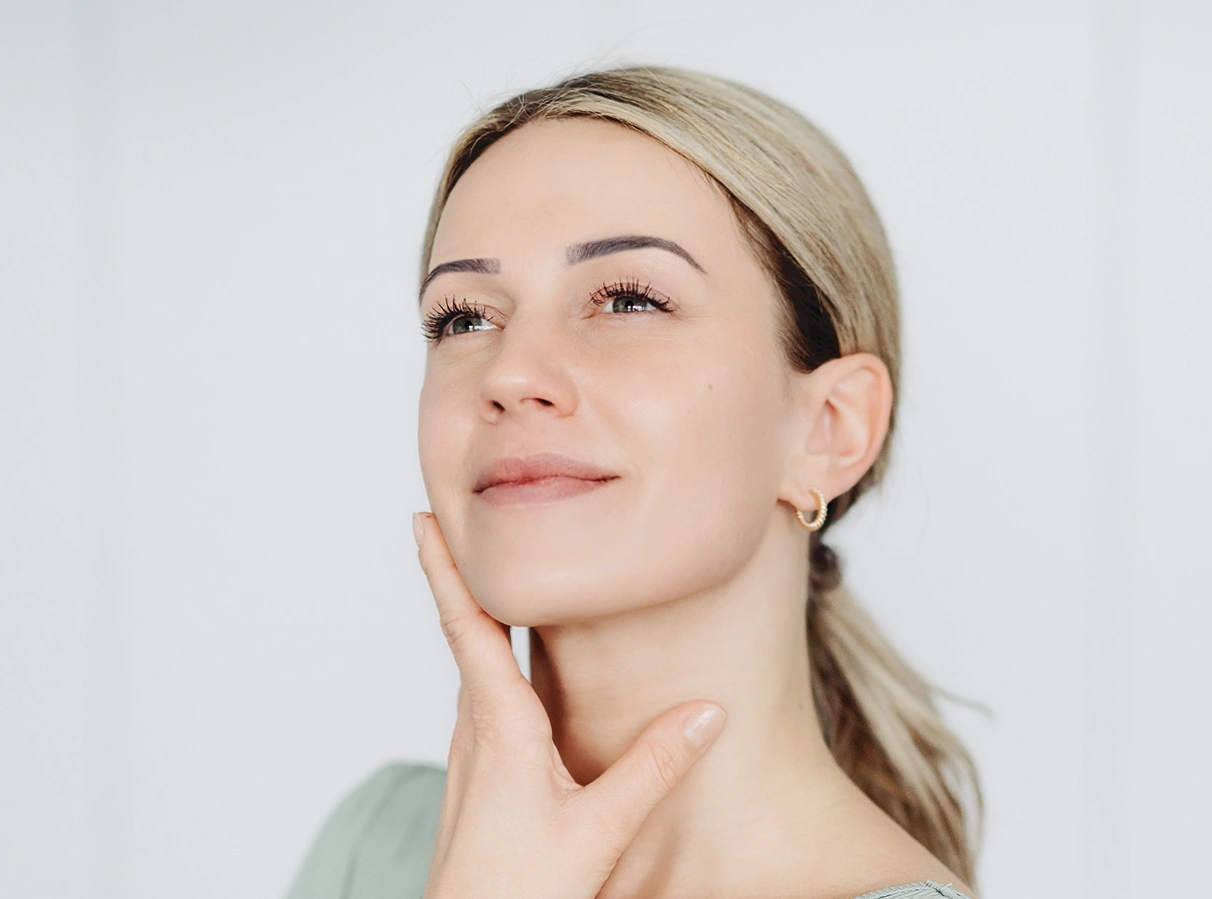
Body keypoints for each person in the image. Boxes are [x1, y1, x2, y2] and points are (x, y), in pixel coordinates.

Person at [285, 66, 982, 899]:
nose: (510, 373)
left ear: (830, 429)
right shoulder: (376, 842)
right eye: (465, 317)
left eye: (626, 300)